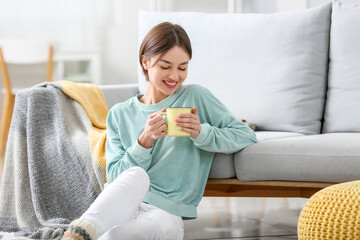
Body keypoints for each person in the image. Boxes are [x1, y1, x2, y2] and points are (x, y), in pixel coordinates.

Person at [62, 22, 258, 240]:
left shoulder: (196, 97)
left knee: (161, 228)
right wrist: (143, 142)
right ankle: (80, 231)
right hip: (124, 205)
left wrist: (201, 133)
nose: (175, 76)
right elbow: (117, 179)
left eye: (182, 67)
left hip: (167, 213)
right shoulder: (119, 114)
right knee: (136, 175)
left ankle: (83, 236)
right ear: (145, 62)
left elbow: (245, 134)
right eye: (166, 67)